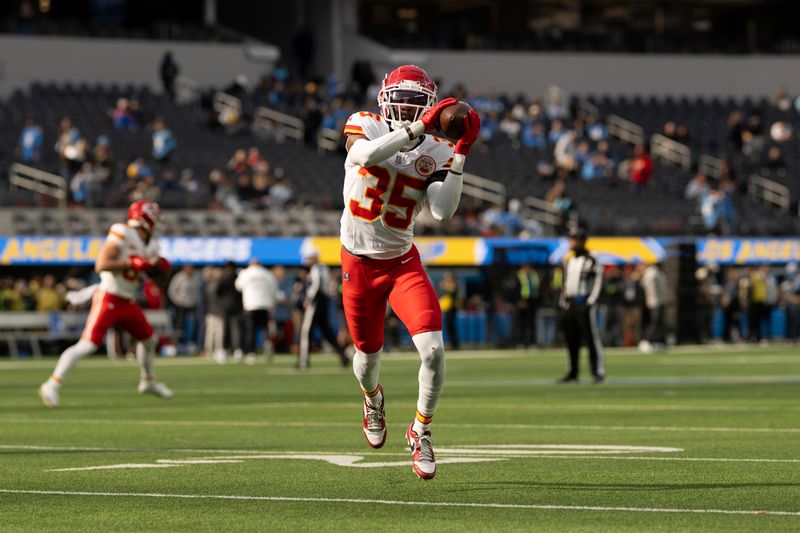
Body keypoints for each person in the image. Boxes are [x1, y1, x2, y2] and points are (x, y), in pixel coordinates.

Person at [339, 64, 480, 480]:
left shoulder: (436, 148)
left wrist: (460, 154)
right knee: (366, 360)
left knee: (434, 351)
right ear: (383, 100)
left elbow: (443, 210)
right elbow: (364, 155)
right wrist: (417, 129)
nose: (405, 108)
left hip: (402, 262)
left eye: (415, 103)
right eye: (400, 100)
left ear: (431, 107)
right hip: (358, 262)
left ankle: (421, 431)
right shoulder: (364, 123)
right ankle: (372, 399)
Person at [38, 201, 173, 408]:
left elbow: (155, 280)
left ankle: (148, 381)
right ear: (144, 217)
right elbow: (101, 264)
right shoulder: (123, 233)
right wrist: (131, 262)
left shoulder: (152, 244)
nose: (157, 221)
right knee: (87, 345)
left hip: (128, 300)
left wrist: (158, 270)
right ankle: (51, 385)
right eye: (154, 216)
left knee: (148, 339)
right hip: (109, 297)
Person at [558, 227, 605, 383]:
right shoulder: (568, 260)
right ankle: (573, 371)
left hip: (583, 302)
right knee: (571, 339)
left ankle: (597, 371)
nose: (571, 242)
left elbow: (598, 281)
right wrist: (563, 301)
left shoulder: (592, 258)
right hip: (570, 303)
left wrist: (591, 301)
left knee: (591, 338)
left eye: (574, 239)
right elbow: (564, 282)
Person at [298, 248, 350, 370]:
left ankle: (303, 361)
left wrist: (309, 299)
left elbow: (316, 284)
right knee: (327, 332)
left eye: (308, 258)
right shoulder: (323, 268)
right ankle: (343, 355)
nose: (307, 261)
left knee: (306, 331)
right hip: (323, 302)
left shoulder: (317, 268)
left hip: (317, 302)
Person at [235, 259, 279, 364]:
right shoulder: (267, 273)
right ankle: (267, 343)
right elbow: (274, 288)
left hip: (250, 305)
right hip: (264, 304)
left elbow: (238, 286)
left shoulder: (245, 273)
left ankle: (251, 353)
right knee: (264, 328)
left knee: (251, 330)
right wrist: (272, 301)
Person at [638, 263, 668, 352]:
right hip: (654, 301)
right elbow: (644, 284)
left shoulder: (658, 272)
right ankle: (646, 341)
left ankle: (656, 341)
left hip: (660, 301)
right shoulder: (652, 272)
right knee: (654, 322)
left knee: (659, 323)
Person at [513, 264, 540, 348]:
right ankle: (521, 342)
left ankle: (532, 342)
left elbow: (537, 288)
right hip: (523, 301)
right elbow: (516, 289)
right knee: (522, 323)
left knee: (531, 322)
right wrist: (520, 300)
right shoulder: (519, 275)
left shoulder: (534, 275)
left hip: (532, 301)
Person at [438, 272, 461, 350]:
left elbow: (452, 294)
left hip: (451, 309)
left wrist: (445, 287)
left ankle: (454, 344)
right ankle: (453, 344)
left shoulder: (453, 285)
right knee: (449, 327)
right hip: (447, 309)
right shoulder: (448, 285)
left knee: (451, 327)